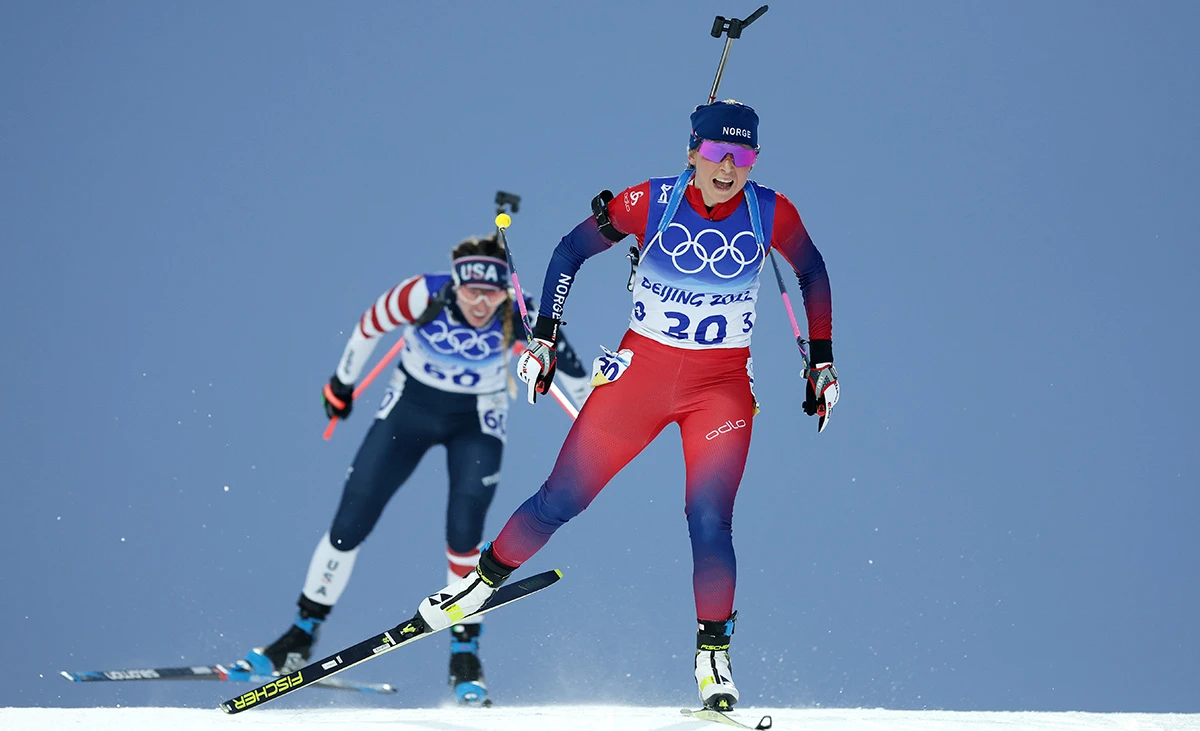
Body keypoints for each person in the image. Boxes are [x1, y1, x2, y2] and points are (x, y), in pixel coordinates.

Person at [414, 100, 839, 711]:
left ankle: (713, 661)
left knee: (708, 519)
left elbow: (813, 271)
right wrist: (544, 335)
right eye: (717, 153)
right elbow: (569, 250)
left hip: (718, 389)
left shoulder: (770, 211)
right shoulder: (651, 201)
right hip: (641, 376)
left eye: (742, 157)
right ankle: (476, 589)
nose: (728, 168)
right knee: (560, 498)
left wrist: (820, 361)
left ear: (755, 162)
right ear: (694, 150)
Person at [237, 233, 591, 706]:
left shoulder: (521, 314)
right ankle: (300, 635)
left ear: (504, 289)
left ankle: (465, 656)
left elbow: (579, 381)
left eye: (491, 293)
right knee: (350, 521)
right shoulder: (421, 294)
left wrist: (605, 423)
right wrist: (342, 382)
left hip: (476, 421)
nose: (481, 304)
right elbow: (368, 327)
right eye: (471, 292)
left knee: (465, 532)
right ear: (456, 282)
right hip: (410, 411)